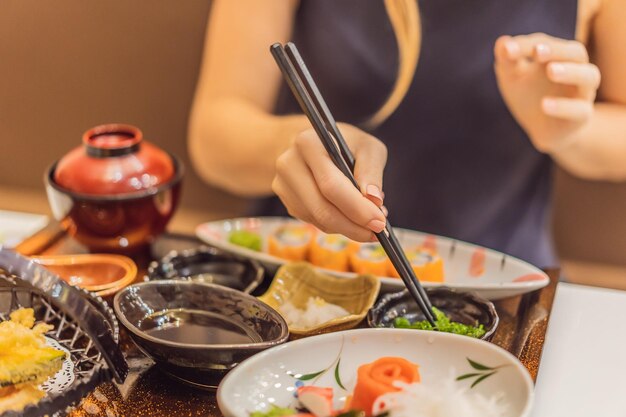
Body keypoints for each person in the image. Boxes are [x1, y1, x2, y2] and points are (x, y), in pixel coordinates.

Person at [188, 0, 626, 268]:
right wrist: (300, 145)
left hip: (498, 282)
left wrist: (570, 129)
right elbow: (214, 134)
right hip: (307, 270)